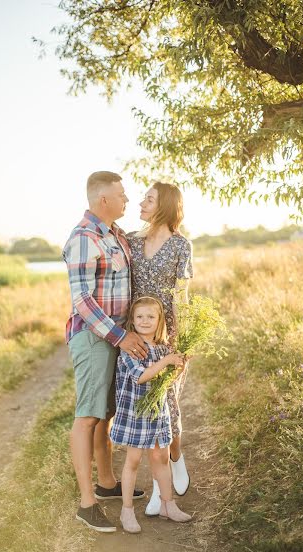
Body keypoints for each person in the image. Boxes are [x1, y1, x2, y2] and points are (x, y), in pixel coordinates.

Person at [63, 171, 148, 533]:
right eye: (122, 195)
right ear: (103, 201)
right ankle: (87, 504)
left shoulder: (114, 235)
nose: (127, 200)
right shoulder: (84, 238)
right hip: (96, 337)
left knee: (105, 413)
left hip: (114, 335)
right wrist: (119, 336)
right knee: (87, 416)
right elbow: (82, 301)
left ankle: (108, 483)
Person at [127, 182, 194, 515]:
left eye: (148, 199)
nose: (141, 202)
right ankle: (159, 486)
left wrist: (183, 342)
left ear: (164, 205)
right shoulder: (131, 240)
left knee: (167, 407)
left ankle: (175, 457)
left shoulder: (181, 245)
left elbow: (182, 297)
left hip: (168, 337)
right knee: (147, 407)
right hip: (138, 337)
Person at [110, 296, 192, 533]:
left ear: (159, 321)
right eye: (139, 317)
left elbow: (166, 381)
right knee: (133, 461)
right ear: (132, 321)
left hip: (157, 412)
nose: (145, 321)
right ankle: (127, 511)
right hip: (136, 413)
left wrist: (178, 366)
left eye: (151, 317)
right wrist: (167, 360)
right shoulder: (131, 349)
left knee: (160, 459)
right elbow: (141, 376)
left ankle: (168, 505)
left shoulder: (163, 348)